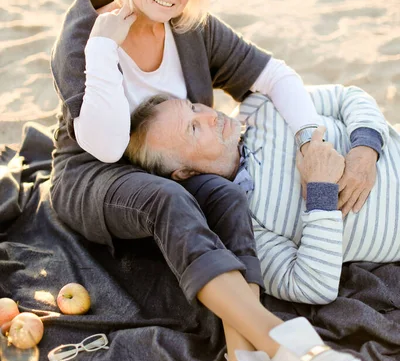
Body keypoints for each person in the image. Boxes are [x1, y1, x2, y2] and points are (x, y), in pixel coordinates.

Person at [49, 0, 363, 361]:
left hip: (174, 167)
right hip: (95, 172)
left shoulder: (190, 28)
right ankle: (281, 342)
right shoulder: (85, 37)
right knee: (169, 200)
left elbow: (274, 75)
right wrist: (104, 45)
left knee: (225, 195)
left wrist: (311, 137)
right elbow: (105, 146)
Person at [124, 84, 400, 308]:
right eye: (194, 128)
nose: (210, 115)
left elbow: (347, 97)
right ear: (183, 173)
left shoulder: (263, 108)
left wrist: (365, 151)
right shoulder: (244, 224)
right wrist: (321, 191)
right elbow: (313, 286)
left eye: (194, 107)